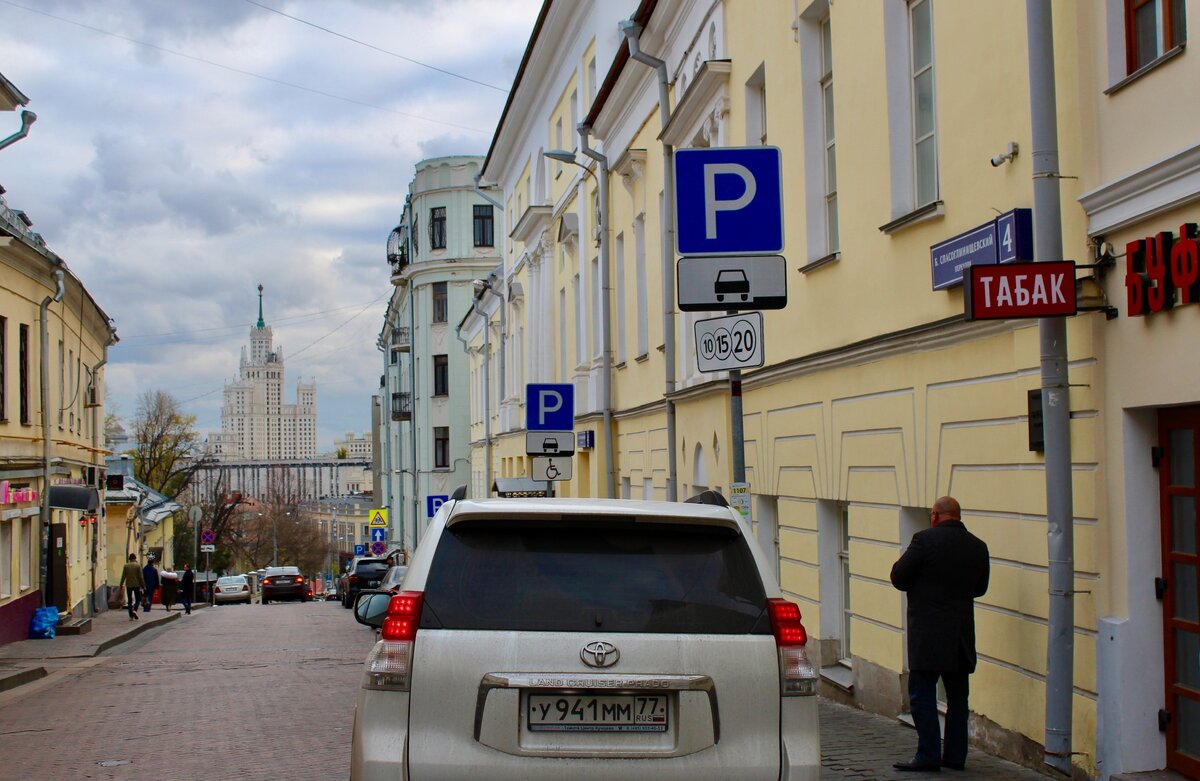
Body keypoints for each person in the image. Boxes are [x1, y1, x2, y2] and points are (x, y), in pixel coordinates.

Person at [890, 496, 990, 772]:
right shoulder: (978, 546)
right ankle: (956, 757)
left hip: (928, 633)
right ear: (958, 516)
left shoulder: (923, 540)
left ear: (935, 515)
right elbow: (980, 588)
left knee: (922, 694)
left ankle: (928, 754)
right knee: (958, 698)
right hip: (960, 634)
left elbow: (899, 576)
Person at [119, 553, 145, 621]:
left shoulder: (126, 566)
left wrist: (121, 585)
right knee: (138, 599)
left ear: (129, 559)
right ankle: (135, 610)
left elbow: (123, 576)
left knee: (130, 601)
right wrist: (143, 586)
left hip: (129, 585)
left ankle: (131, 615)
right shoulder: (138, 566)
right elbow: (140, 577)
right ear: (135, 558)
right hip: (136, 585)